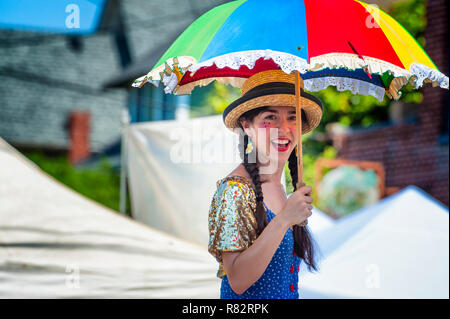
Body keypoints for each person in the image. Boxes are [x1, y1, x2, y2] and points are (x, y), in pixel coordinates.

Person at [208, 70, 323, 299]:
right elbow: (238, 280)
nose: (283, 129)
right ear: (247, 125)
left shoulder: (281, 189)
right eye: (270, 118)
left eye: (292, 117)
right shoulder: (234, 191)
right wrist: (283, 220)